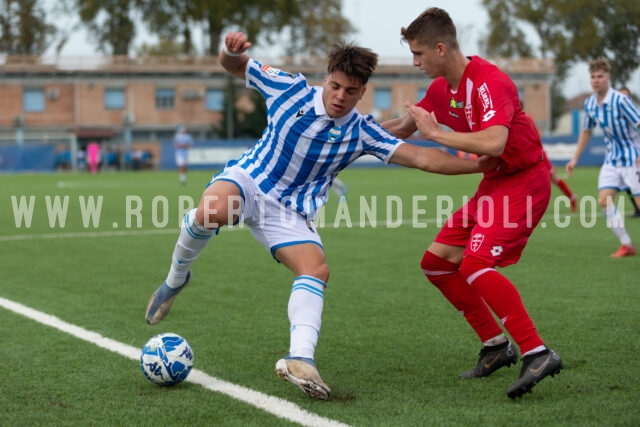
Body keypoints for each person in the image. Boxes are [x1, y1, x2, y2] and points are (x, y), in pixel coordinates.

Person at [145, 31, 498, 400]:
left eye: (351, 91)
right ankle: (175, 280)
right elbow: (234, 66)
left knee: (316, 270)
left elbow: (422, 157)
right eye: (335, 86)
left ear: (363, 92)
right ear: (326, 78)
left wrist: (480, 166)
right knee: (210, 211)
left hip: (291, 212)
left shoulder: (363, 132)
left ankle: (300, 359)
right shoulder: (290, 88)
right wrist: (229, 52)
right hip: (249, 181)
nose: (340, 97)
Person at [381, 7, 563, 399]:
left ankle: (538, 351)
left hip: (525, 181)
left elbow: (495, 142)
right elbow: (402, 127)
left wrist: (438, 135)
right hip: (495, 183)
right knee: (436, 264)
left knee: (475, 264)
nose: (414, 63)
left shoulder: (489, 82)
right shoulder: (440, 89)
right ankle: (497, 346)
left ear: (441, 48)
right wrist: (350, 132)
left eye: (418, 54)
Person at [566, 58, 640, 257]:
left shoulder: (620, 100)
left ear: (608, 78)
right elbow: (586, 132)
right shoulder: (590, 103)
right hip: (612, 160)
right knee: (604, 201)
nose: (596, 80)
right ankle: (627, 245)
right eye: (593, 76)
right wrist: (575, 159)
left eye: (600, 76)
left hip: (633, 158)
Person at [617, 86, 640, 218]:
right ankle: (637, 208)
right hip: (628, 158)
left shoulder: (635, 116)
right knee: (627, 185)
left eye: (626, 97)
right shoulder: (617, 118)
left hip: (637, 155)